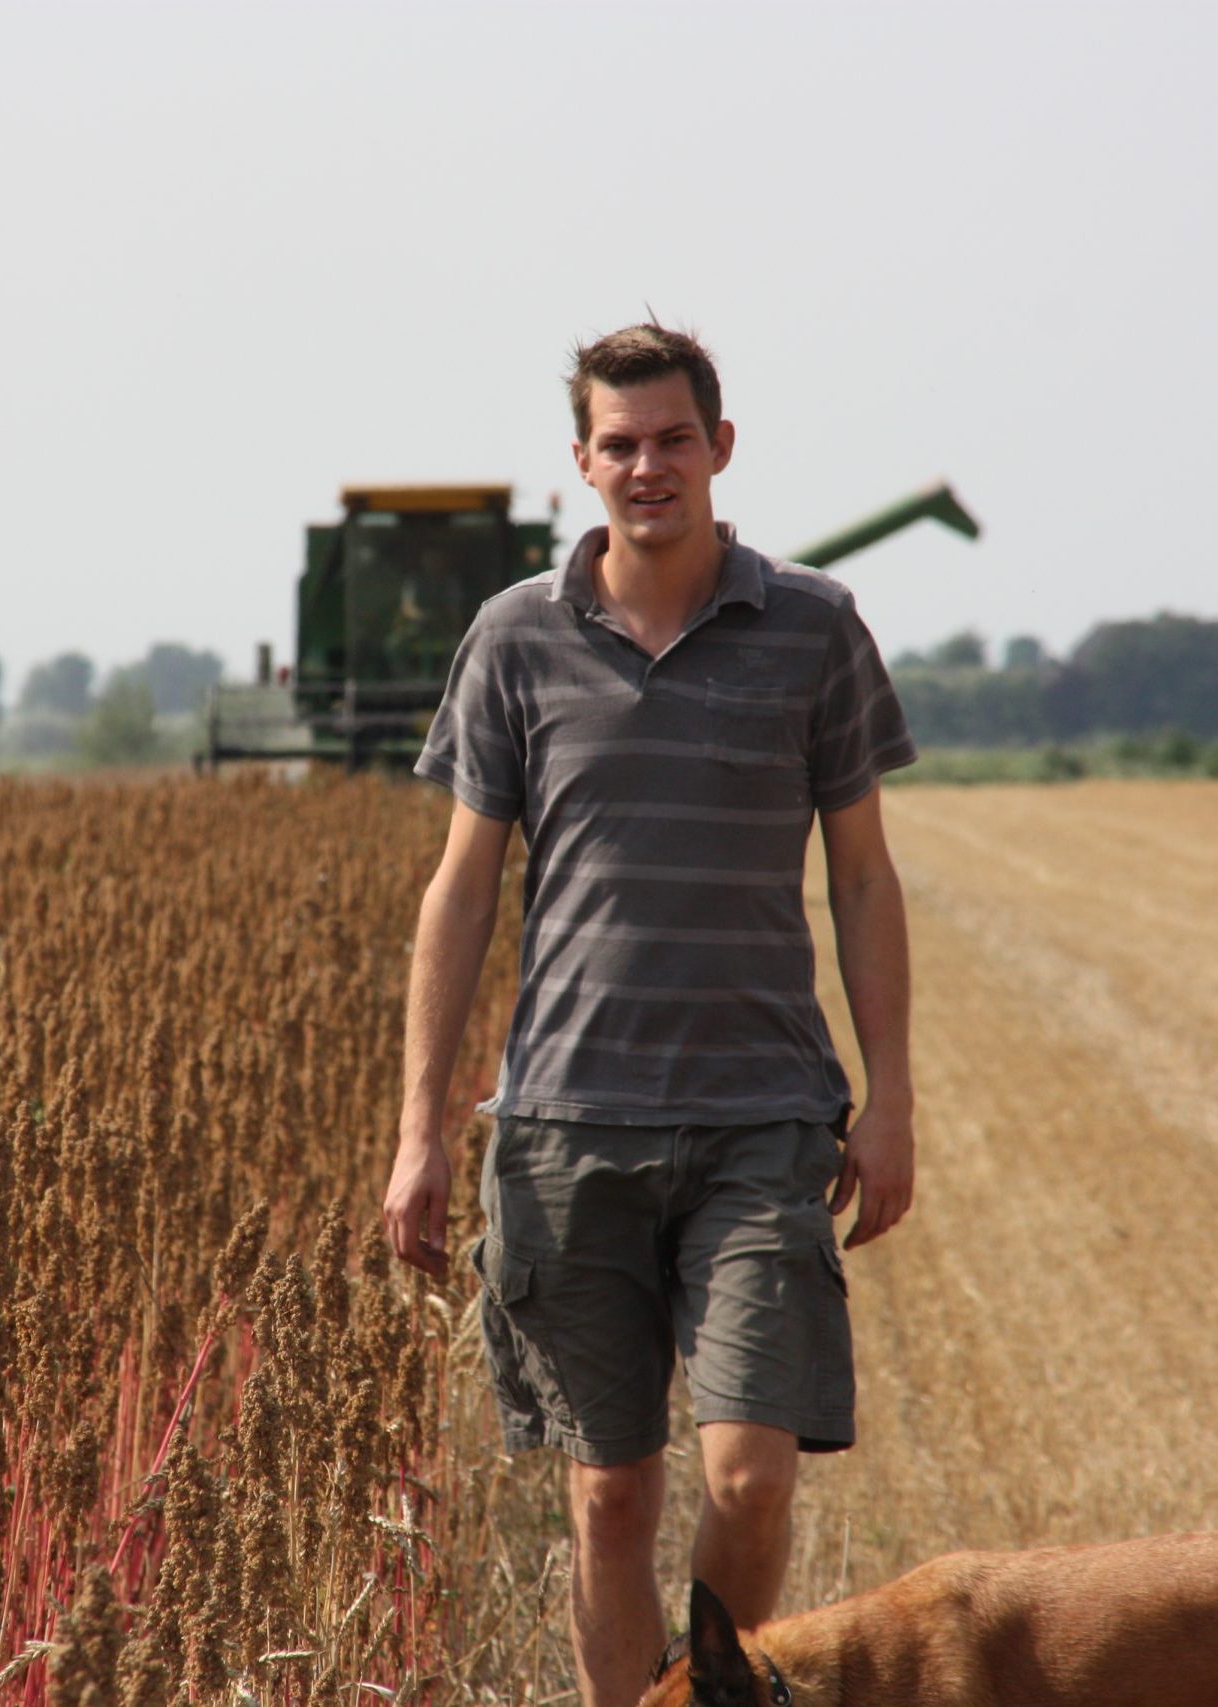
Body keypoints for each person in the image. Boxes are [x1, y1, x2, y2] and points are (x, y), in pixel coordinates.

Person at [381, 322, 917, 1707]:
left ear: (720, 448)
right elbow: (460, 888)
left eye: (673, 438)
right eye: (618, 444)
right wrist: (421, 1133)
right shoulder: (513, 639)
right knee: (609, 1501)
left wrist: (894, 1094)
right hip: (565, 1129)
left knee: (751, 1470)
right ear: (580, 465)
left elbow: (861, 876)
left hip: (762, 1123)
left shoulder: (812, 627)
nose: (647, 465)